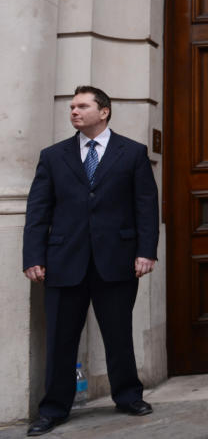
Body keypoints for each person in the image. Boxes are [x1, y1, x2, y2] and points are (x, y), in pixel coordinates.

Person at [22, 86, 159, 436]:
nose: (74, 112)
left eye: (82, 106)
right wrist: (33, 256)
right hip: (63, 261)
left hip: (116, 260)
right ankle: (53, 408)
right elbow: (38, 210)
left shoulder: (133, 153)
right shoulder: (53, 156)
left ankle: (128, 396)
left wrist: (146, 251)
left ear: (104, 111)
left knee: (118, 335)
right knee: (60, 339)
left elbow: (146, 208)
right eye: (71, 107)